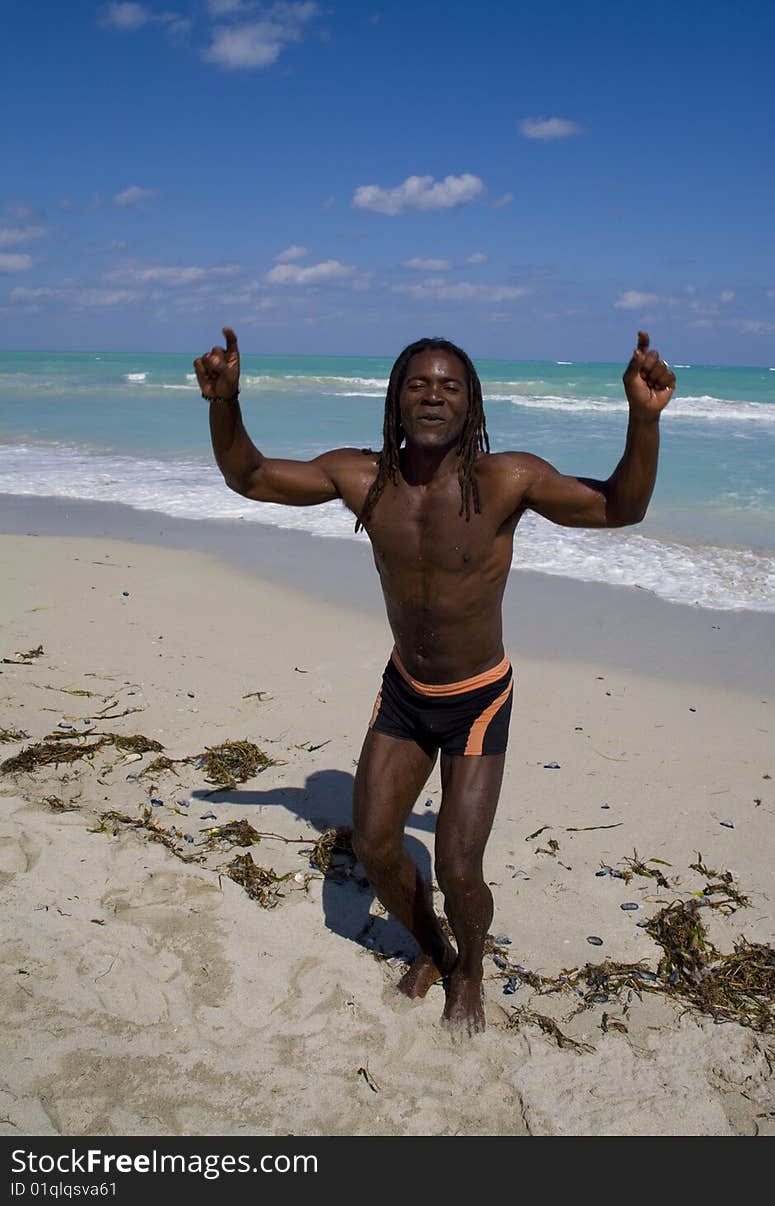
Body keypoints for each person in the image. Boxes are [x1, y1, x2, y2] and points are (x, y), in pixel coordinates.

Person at [194, 327, 675, 1034]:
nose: (433, 395)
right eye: (418, 383)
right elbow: (252, 476)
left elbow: (618, 507)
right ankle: (432, 947)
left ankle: (471, 971)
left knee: (457, 868)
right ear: (396, 398)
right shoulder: (364, 480)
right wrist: (225, 403)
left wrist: (642, 420)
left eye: (450, 385)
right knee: (375, 842)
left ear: (470, 402)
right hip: (405, 693)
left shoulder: (506, 481)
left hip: (477, 700)